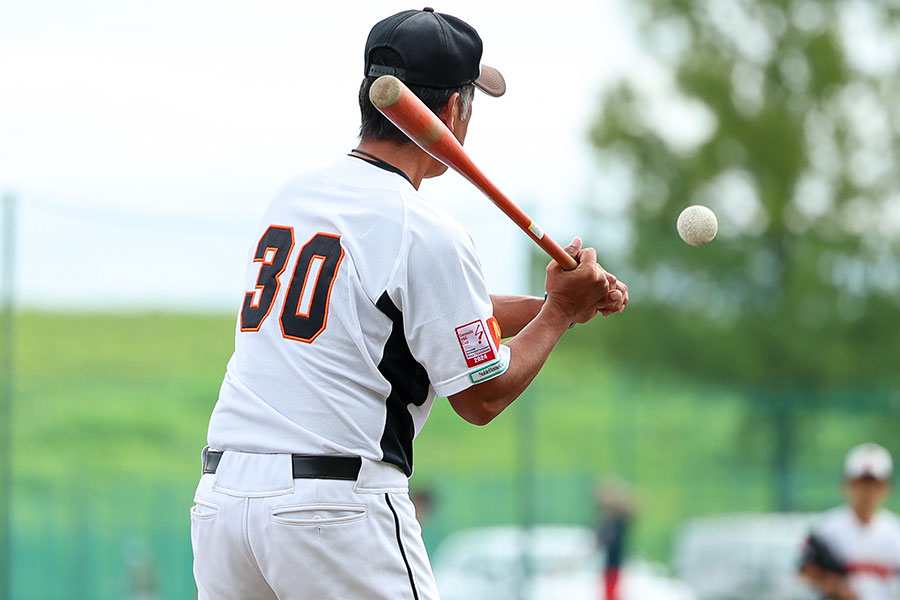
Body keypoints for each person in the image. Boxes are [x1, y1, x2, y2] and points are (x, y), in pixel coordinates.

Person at [190, 7, 628, 600]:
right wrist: (555, 316)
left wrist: (558, 302)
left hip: (225, 502)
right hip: (333, 511)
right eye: (471, 101)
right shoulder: (426, 230)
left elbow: (404, 312)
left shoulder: (296, 194)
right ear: (451, 111)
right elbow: (481, 397)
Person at [799, 443, 900, 600]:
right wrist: (833, 585)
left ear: (886, 487)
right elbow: (805, 571)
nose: (868, 492)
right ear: (847, 484)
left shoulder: (895, 532)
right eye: (861, 483)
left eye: (874, 485)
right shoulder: (826, 529)